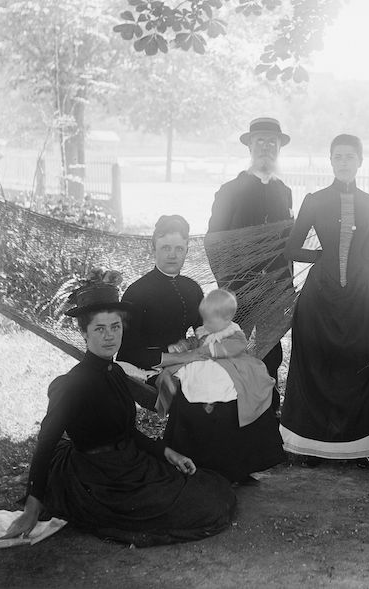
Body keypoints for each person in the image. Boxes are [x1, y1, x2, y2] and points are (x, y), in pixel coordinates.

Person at [1, 276, 236, 546]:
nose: (109, 336)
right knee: (203, 507)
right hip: (98, 478)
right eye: (99, 329)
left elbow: (127, 431)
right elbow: (46, 444)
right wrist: (31, 510)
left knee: (214, 489)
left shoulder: (116, 373)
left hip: (128, 463)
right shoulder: (71, 384)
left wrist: (167, 452)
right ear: (84, 333)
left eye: (115, 327)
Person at [280, 134, 369, 468]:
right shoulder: (314, 200)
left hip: (361, 295)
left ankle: (357, 449)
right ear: (331, 161)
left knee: (359, 362)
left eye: (349, 157)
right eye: (337, 157)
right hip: (320, 297)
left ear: (360, 161)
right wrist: (324, 256)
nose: (343, 162)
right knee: (317, 362)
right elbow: (290, 249)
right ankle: (309, 446)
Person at [158, 289, 285, 482]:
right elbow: (195, 341)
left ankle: (213, 403)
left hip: (228, 363)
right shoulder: (206, 330)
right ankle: (189, 400)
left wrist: (209, 350)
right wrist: (182, 347)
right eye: (205, 320)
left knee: (229, 383)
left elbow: (235, 347)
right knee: (180, 374)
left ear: (227, 318)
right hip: (203, 362)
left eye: (210, 320)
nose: (206, 324)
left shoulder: (233, 332)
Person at [205, 117, 293, 385]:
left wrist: (286, 285)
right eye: (260, 141)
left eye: (272, 142)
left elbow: (288, 242)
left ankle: (268, 405)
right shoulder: (230, 191)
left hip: (275, 290)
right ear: (250, 147)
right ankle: (231, 406)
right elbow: (213, 241)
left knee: (270, 353)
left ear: (279, 148)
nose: (266, 147)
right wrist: (229, 285)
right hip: (239, 288)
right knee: (233, 348)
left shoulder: (284, 191)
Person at [118, 214, 204, 374]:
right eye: (166, 248)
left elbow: (205, 331)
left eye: (179, 248)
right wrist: (186, 357)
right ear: (154, 248)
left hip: (188, 365)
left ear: (187, 250)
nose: (172, 255)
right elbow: (128, 354)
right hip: (146, 371)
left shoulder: (193, 288)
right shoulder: (137, 292)